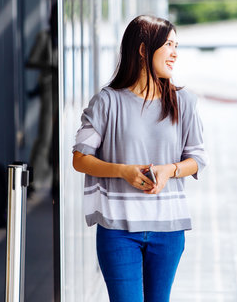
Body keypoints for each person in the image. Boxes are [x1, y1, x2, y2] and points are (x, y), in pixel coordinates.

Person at [72, 15, 207, 302]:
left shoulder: (184, 102)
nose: (175, 53)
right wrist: (124, 171)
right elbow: (80, 158)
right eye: (168, 44)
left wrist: (169, 170)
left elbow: (196, 159)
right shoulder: (107, 102)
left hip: (168, 230)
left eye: (176, 45)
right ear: (144, 50)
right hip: (119, 230)